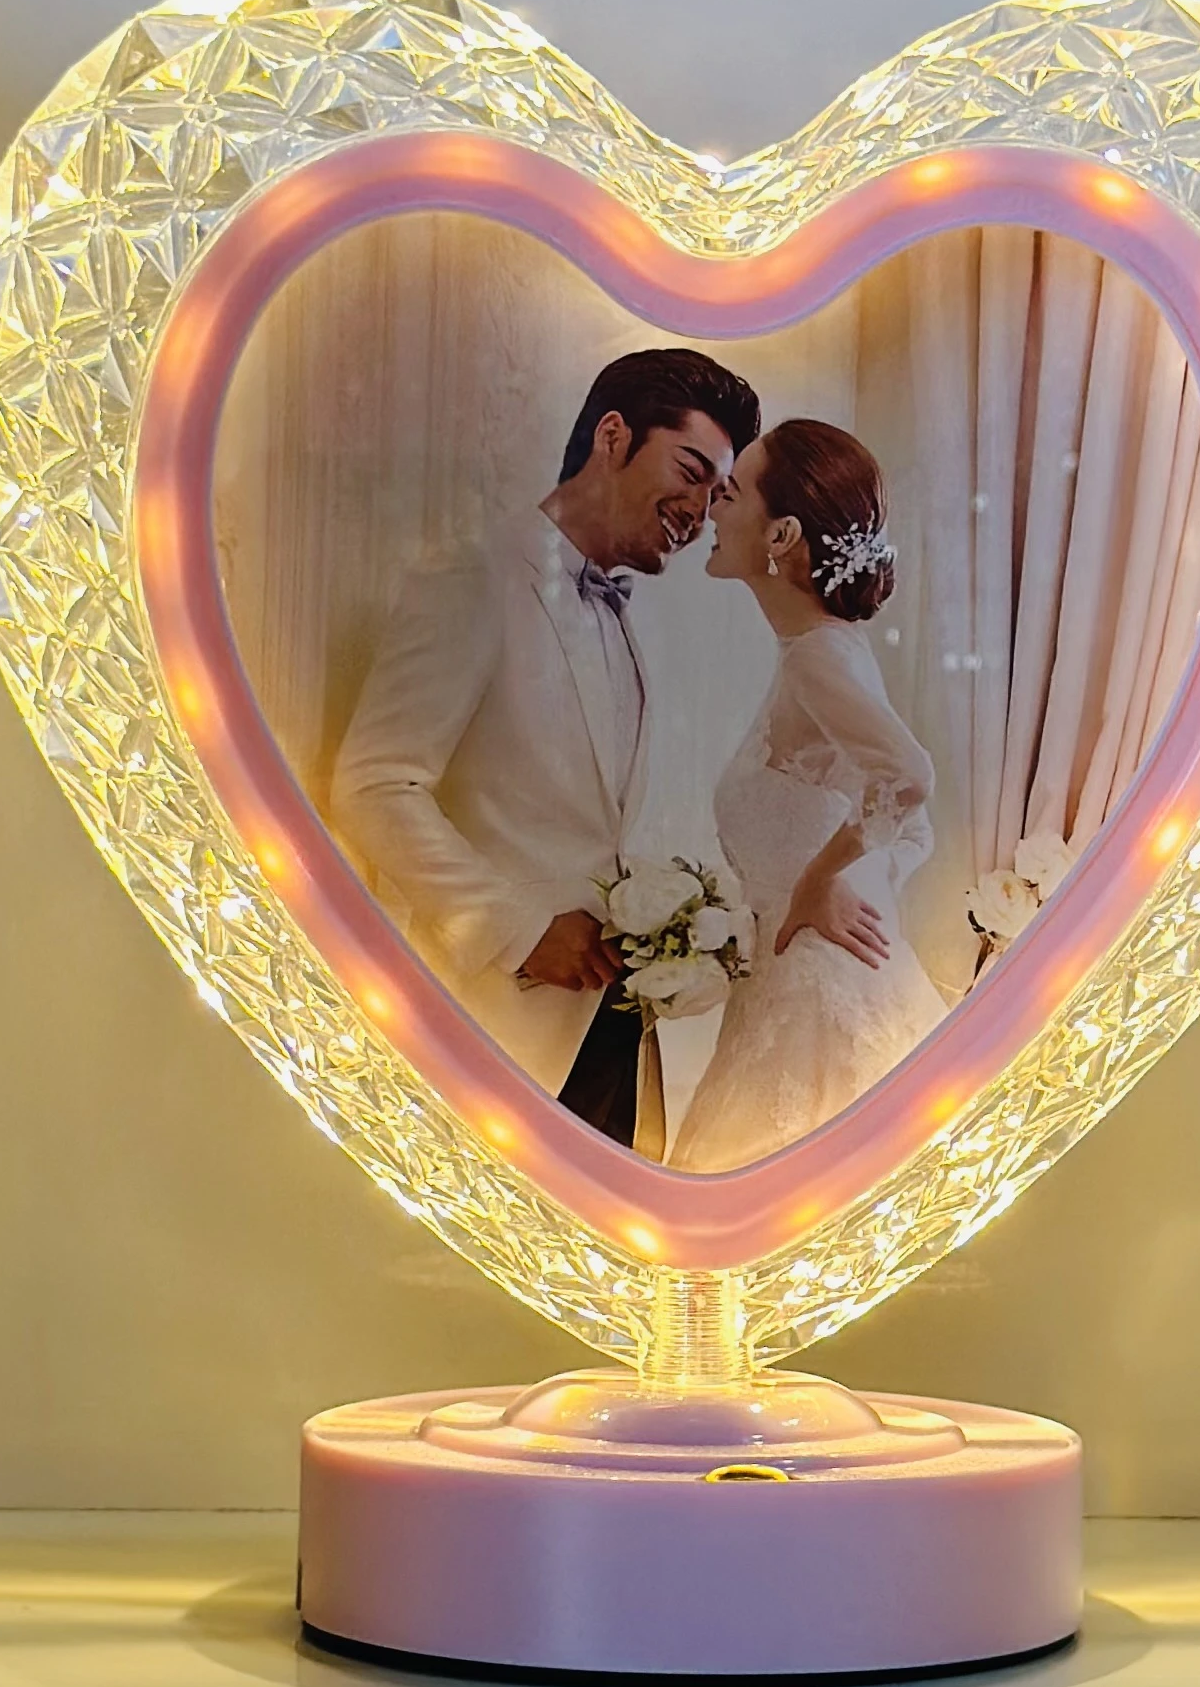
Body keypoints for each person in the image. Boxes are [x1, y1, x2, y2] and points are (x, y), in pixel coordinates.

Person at [330, 348, 760, 1150]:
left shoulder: (637, 622)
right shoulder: (474, 573)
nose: (701, 512)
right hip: (492, 1026)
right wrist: (520, 928)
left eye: (717, 494)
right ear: (612, 435)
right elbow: (374, 787)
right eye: (691, 471)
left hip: (618, 1030)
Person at [668, 419, 947, 1173]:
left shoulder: (819, 657)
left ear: (782, 534)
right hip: (795, 986)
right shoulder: (822, 650)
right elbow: (909, 828)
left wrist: (820, 879)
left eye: (729, 494)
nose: (711, 506)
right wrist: (852, 879)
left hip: (817, 1002)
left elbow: (909, 778)